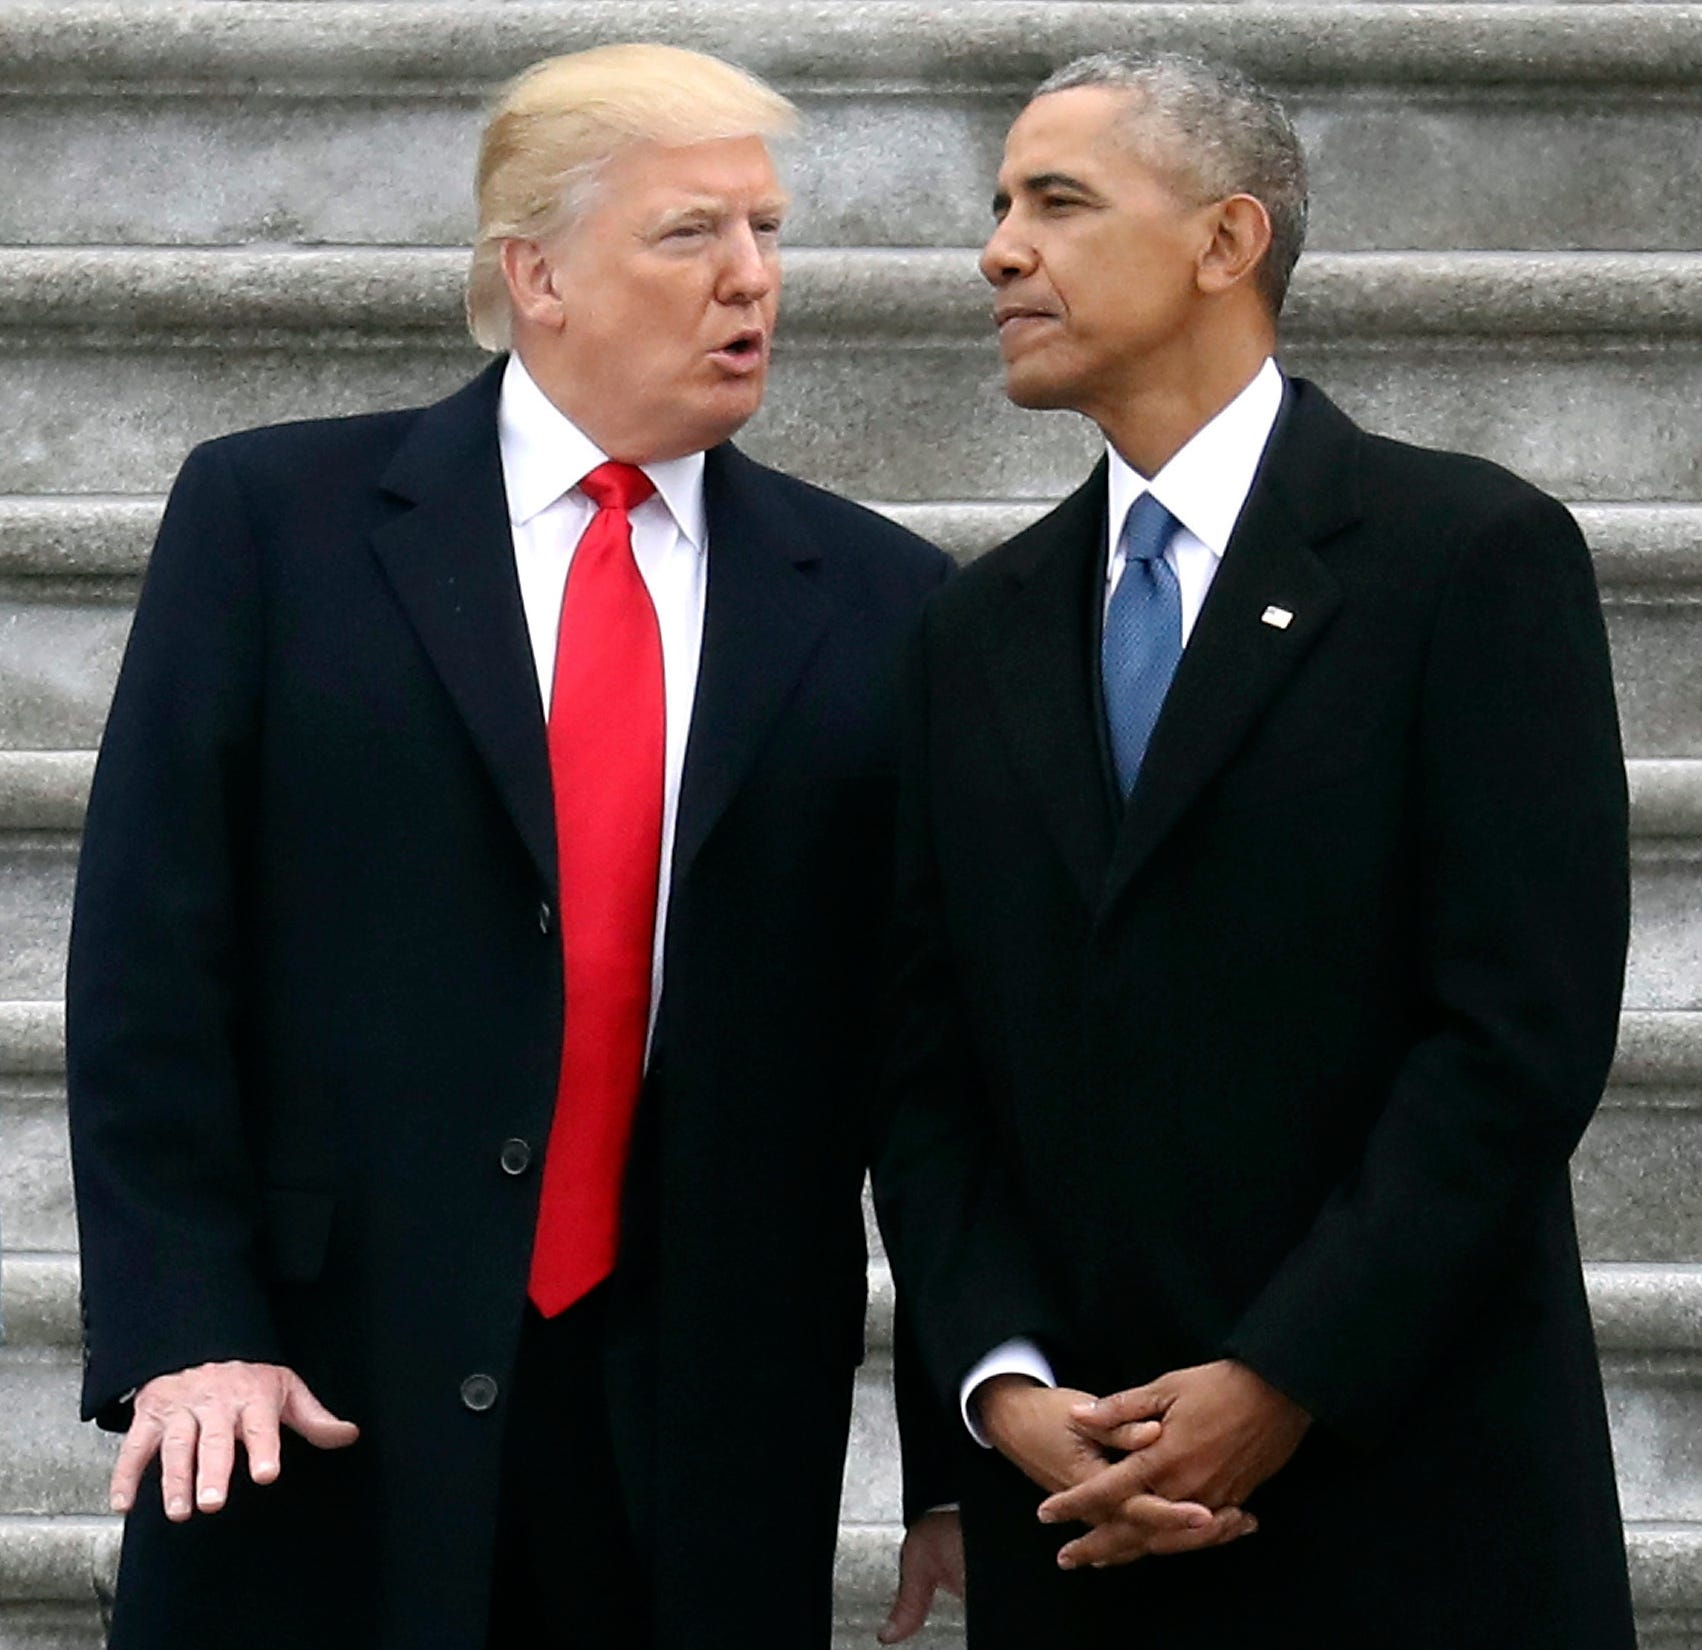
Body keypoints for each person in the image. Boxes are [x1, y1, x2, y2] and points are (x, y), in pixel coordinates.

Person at [66, 44, 961, 1650]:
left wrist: (965, 1428)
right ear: (532, 273)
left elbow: (933, 1045)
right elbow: (150, 952)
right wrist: (187, 1325)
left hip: (699, 1440)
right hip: (311, 1391)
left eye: (766, 232)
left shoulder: (886, 600)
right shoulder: (276, 521)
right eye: (691, 234)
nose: (752, 278)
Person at [873, 49, 1637, 1649]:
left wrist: (1282, 1373)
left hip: (1404, 1499)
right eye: (999, 205)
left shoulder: (1466, 559)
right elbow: (926, 1061)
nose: (998, 249)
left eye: (1056, 202)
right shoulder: (972, 629)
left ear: (1225, 242)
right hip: (1079, 1519)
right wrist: (1000, 1383)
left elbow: (1513, 1036)